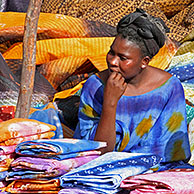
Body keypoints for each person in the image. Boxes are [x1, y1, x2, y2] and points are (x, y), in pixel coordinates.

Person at [73, 8, 191, 167]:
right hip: (102, 168)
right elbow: (95, 153)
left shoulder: (168, 88)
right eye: (111, 52)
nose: (113, 62)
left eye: (123, 58)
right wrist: (110, 102)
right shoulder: (95, 86)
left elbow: (171, 152)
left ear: (144, 61)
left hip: (154, 169)